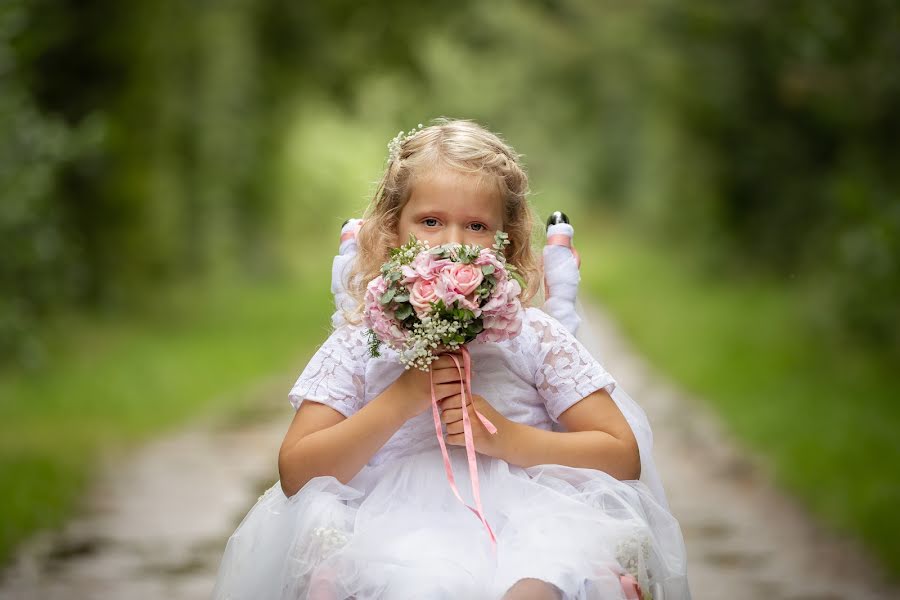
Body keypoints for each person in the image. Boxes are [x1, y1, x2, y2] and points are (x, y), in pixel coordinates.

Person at [211, 118, 691, 600]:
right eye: (431, 221)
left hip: (532, 521)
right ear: (393, 231)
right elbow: (296, 472)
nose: (451, 242)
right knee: (420, 585)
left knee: (539, 586)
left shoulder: (531, 336)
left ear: (507, 238)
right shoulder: (361, 343)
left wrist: (509, 438)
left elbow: (621, 456)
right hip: (391, 529)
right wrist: (402, 398)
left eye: (477, 226)